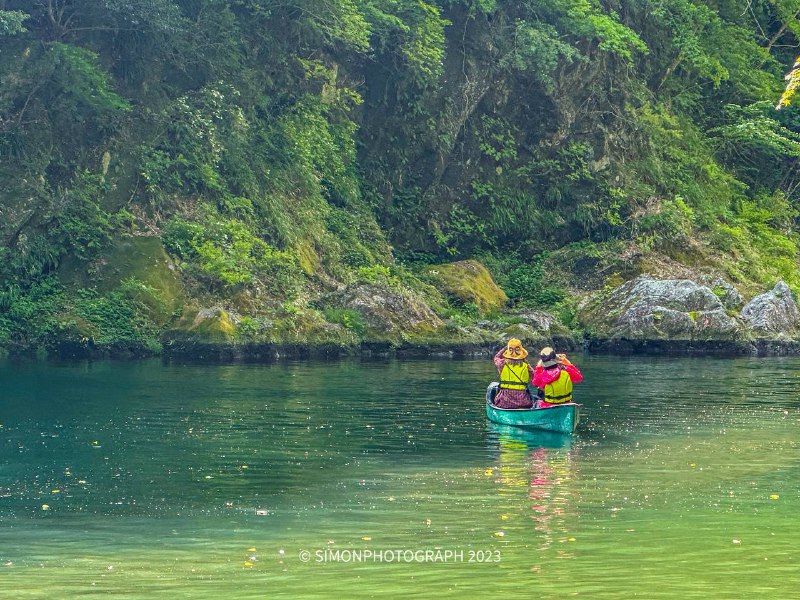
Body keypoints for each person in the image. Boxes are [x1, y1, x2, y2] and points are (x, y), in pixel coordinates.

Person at [492, 338, 535, 409]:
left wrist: (506, 347)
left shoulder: (502, 364)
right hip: (523, 402)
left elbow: (496, 357)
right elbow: (534, 377)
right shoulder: (526, 366)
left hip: (504, 402)